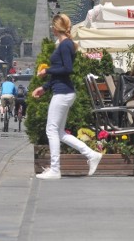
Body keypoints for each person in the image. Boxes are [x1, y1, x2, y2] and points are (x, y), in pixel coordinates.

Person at [31, 13, 102, 180]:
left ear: (56, 28)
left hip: (63, 93)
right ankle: (91, 154)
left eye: (52, 26)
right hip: (62, 90)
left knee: (51, 130)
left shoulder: (65, 45)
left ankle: (55, 169)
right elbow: (60, 74)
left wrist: (46, 70)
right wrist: (45, 87)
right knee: (60, 132)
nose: (51, 28)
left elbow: (67, 69)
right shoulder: (66, 44)